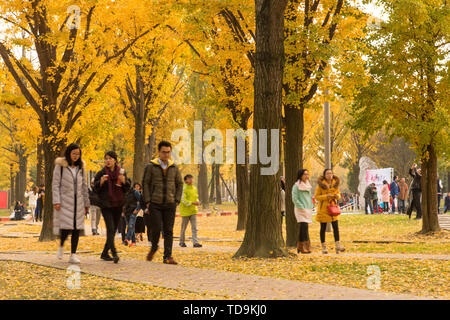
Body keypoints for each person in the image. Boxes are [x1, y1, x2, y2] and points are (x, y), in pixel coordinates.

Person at [142, 141, 183, 265]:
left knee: (169, 230)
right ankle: (154, 247)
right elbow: (145, 183)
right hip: (155, 203)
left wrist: (177, 200)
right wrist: (148, 201)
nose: (166, 154)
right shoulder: (151, 166)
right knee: (156, 228)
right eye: (164, 152)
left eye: (168, 152)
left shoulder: (174, 167)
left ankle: (168, 256)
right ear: (159, 152)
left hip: (170, 203)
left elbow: (180, 183)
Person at [52, 143, 90, 264]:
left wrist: (86, 202)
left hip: (78, 202)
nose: (76, 156)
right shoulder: (61, 166)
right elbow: (55, 184)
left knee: (76, 229)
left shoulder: (81, 168)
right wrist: (56, 201)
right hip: (64, 202)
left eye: (78, 154)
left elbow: (84, 186)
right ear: (69, 153)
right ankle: (61, 246)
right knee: (65, 227)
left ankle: (73, 254)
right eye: (74, 153)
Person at [93, 151, 130, 263]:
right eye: (106, 158)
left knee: (113, 230)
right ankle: (114, 253)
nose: (108, 161)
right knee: (110, 228)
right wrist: (100, 182)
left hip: (118, 204)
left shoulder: (121, 173)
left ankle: (105, 253)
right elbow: (95, 188)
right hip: (106, 205)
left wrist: (124, 182)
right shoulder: (102, 173)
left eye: (110, 158)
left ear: (115, 160)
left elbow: (127, 188)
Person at [314, 169, 345, 254]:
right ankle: (323, 247)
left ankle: (338, 245)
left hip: (333, 208)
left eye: (331, 173)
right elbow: (316, 197)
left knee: (336, 227)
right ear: (324, 175)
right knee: (323, 228)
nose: (329, 175)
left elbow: (339, 194)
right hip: (323, 208)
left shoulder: (335, 184)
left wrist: (337, 196)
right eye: (327, 173)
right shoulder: (321, 185)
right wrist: (326, 196)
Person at [291, 169, 314, 254]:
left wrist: (311, 205)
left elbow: (309, 197)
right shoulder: (296, 186)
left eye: (307, 174)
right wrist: (301, 206)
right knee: (303, 226)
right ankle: (305, 246)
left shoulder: (308, 185)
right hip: (300, 209)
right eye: (305, 174)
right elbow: (294, 198)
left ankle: (300, 247)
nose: (307, 176)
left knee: (304, 228)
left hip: (307, 209)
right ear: (301, 175)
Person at [179, 174, 202, 248]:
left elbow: (196, 197)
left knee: (194, 228)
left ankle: (195, 242)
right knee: (183, 228)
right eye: (189, 178)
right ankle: (181, 242)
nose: (191, 180)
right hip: (185, 212)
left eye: (192, 178)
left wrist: (197, 202)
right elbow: (183, 200)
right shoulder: (183, 189)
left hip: (193, 211)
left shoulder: (194, 188)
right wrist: (192, 203)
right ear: (186, 180)